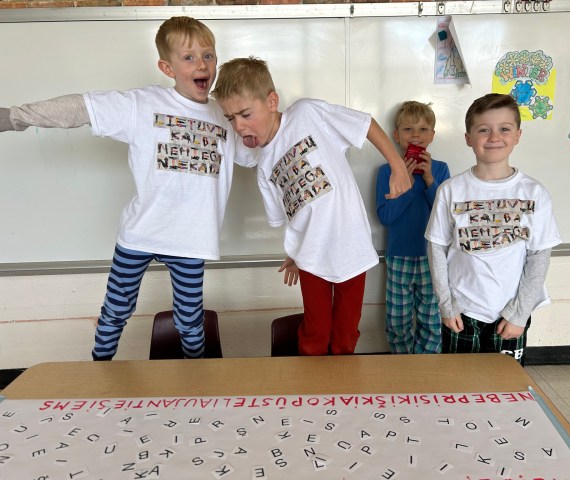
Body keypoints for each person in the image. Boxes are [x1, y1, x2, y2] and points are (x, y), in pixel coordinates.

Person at [0, 17, 255, 360]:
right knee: (115, 311)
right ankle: (99, 369)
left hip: (191, 239)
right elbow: (81, 108)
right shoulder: (142, 104)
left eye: (208, 55)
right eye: (189, 57)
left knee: (190, 321)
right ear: (167, 67)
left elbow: (253, 153)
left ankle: (196, 378)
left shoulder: (224, 114)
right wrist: (13, 117)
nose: (202, 65)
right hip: (140, 233)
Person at [212, 57, 411, 356]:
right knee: (315, 334)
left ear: (271, 102)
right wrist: (294, 253)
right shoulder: (263, 164)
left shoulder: (306, 113)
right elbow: (291, 216)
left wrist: (397, 164)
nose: (239, 126)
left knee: (345, 335)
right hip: (311, 255)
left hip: (351, 246)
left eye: (245, 114)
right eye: (231, 118)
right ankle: (310, 385)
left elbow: (364, 124)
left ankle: (341, 385)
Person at [425, 93, 561, 365]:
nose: (494, 137)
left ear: (518, 135)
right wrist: (447, 305)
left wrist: (520, 314)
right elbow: (436, 249)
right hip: (461, 314)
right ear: (468, 138)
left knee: (506, 385)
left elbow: (538, 257)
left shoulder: (534, 193)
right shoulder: (451, 190)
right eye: (484, 130)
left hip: (509, 315)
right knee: (459, 383)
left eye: (504, 129)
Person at [376, 101, 450, 354]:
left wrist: (428, 179)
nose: (415, 135)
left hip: (433, 257)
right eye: (408, 129)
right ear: (396, 136)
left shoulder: (440, 169)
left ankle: (427, 365)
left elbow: (446, 217)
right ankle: (402, 363)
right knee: (398, 320)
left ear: (432, 136)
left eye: (422, 129)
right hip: (399, 256)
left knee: (431, 318)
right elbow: (386, 217)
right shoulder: (386, 172)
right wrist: (405, 183)